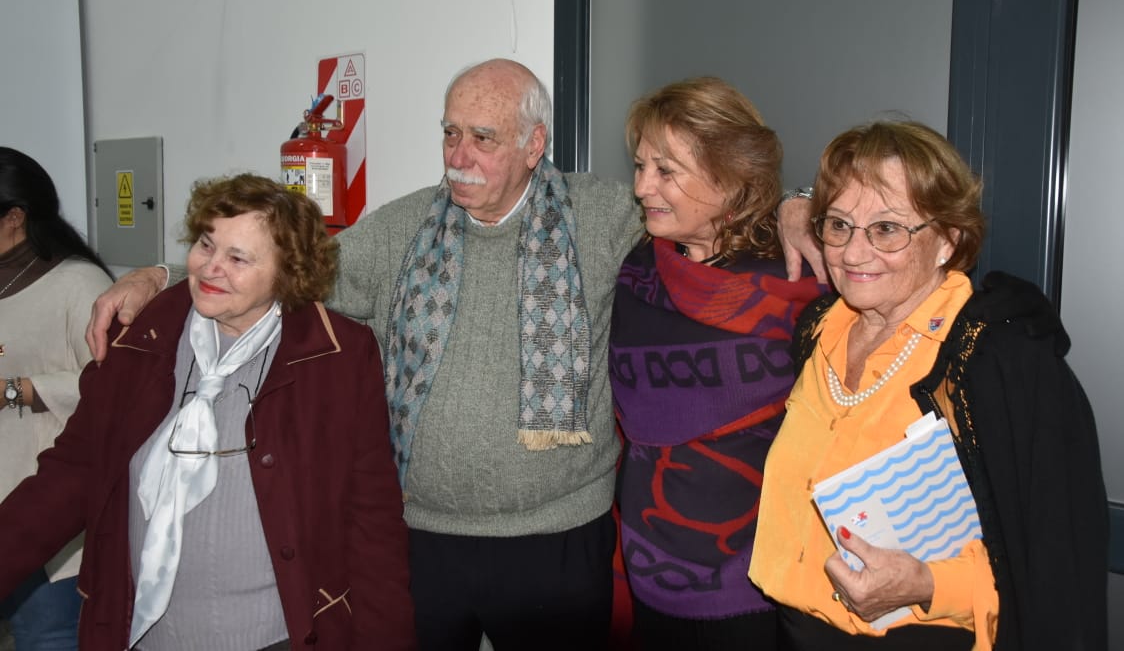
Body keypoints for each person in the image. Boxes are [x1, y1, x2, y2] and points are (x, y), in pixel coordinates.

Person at [84, 59, 824, 650]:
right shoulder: (403, 228)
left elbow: (713, 199)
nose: (459, 156)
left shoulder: (608, 215)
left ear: (534, 145)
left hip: (561, 543)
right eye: (449, 134)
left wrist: (795, 202)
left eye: (484, 137)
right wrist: (158, 276)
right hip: (422, 541)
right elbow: (278, 271)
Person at [0, 173, 415, 650]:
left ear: (287, 272)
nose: (211, 268)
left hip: (278, 637)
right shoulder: (141, 339)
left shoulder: (337, 357)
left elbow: (372, 523)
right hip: (143, 635)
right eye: (205, 244)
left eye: (238, 258)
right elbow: (69, 474)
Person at [749, 120, 1108, 650]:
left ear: (947, 239)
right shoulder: (819, 328)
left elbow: (1058, 563)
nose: (852, 252)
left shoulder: (998, 362)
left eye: (888, 229)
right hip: (793, 631)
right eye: (839, 225)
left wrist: (928, 584)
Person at [609, 78, 826, 650]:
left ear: (730, 177)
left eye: (666, 170)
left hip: (755, 591)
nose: (641, 187)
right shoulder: (636, 270)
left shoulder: (794, 277)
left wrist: (804, 202)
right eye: (640, 166)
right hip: (646, 572)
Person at [0, 147, 114, 650]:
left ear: (15, 217)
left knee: (46, 636)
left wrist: (16, 390)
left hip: (49, 522)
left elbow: (112, 388)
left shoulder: (78, 282)